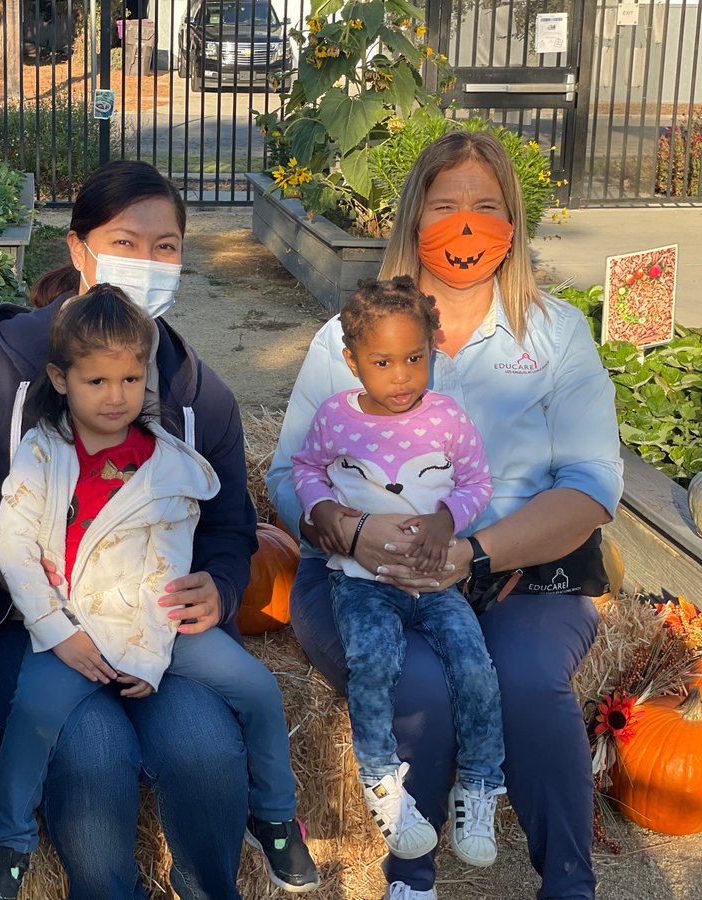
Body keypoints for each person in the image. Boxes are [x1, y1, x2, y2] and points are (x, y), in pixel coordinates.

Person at [267, 132, 623, 900]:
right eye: (447, 205)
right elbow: (286, 471)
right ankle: (412, 879)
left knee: (528, 682)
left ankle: (569, 883)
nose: (467, 224)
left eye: (487, 207)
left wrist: (478, 552)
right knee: (417, 683)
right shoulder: (349, 338)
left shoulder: (557, 334)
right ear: (413, 217)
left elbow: (593, 485)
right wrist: (348, 528)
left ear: (514, 220)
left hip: (524, 577)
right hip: (365, 580)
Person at [0, 160, 262, 900]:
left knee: (203, 745)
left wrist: (222, 586)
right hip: (15, 628)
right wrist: (38, 584)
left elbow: (232, 524)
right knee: (93, 747)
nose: (147, 262)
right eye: (125, 241)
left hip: (151, 625)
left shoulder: (203, 399)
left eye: (166, 247)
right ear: (78, 250)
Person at [0, 286, 318, 899]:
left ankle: (273, 812)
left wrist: (205, 594)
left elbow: (202, 536)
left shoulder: (170, 459)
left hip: (161, 623)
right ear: (60, 378)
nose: (116, 397)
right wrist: (58, 631)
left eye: (131, 379)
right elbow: (17, 552)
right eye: (97, 381)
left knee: (260, 688)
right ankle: (10, 841)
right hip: (77, 628)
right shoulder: (41, 457)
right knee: (33, 721)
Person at [289, 276, 503, 868]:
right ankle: (382, 781)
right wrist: (324, 509)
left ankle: (481, 784)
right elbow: (305, 468)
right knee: (374, 663)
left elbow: (477, 482)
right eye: (383, 362)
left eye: (415, 358)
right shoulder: (336, 418)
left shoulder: (446, 418)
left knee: (475, 667)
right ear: (354, 362)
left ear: (432, 350)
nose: (403, 375)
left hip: (436, 583)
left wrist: (446, 521)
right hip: (361, 583)